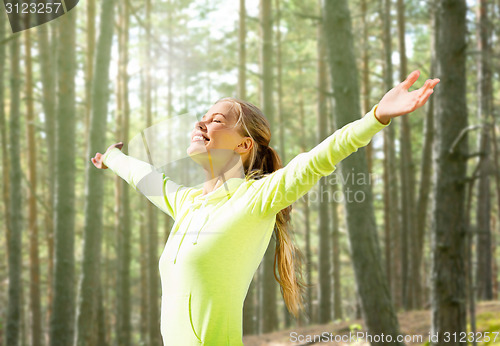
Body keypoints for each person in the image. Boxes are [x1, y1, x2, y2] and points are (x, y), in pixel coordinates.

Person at [92, 69, 439, 345]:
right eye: (202, 116)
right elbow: (145, 176)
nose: (201, 123)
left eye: (216, 119)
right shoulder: (187, 204)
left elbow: (319, 159)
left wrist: (376, 116)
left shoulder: (257, 198)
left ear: (244, 145)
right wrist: (112, 156)